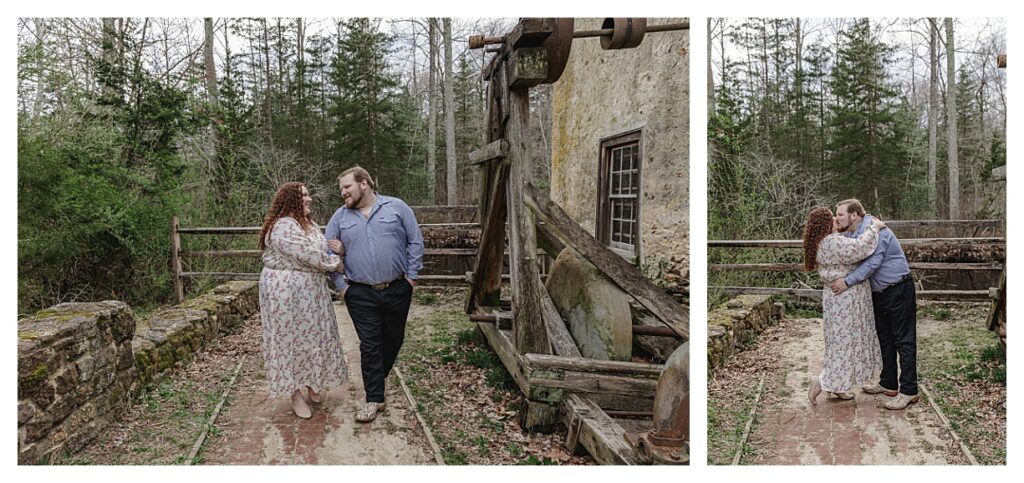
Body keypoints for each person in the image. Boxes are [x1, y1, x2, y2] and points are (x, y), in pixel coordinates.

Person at [325, 166, 423, 423]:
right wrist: (342, 287)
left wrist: (411, 278)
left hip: (397, 288)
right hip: (359, 292)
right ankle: (374, 399)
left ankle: (377, 380)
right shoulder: (340, 217)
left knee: (394, 339)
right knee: (370, 345)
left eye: (347, 187)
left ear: (364, 184)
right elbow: (327, 253)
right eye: (341, 189)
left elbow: (415, 241)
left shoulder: (397, 208)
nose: (343, 193)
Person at [258, 182, 348, 419]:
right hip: (284, 296)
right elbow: (307, 255)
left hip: (311, 295)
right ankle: (294, 394)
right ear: (290, 200)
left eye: (308, 195)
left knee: (313, 337)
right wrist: (334, 264)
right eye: (304, 196)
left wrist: (337, 251)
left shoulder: (308, 224)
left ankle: (312, 382)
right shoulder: (282, 227)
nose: (309, 199)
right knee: (289, 342)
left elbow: (320, 250)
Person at [830, 199, 919, 410]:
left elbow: (872, 263)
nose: (837, 218)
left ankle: (909, 391)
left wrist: (847, 282)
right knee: (884, 339)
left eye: (840, 214)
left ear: (854, 215)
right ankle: (888, 383)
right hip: (878, 294)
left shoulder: (877, 230)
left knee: (904, 341)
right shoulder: (852, 233)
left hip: (898, 289)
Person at [803, 207, 884, 406]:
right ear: (825, 224)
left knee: (838, 342)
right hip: (845, 300)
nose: (836, 220)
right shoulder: (832, 242)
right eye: (832, 218)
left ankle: (838, 386)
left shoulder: (823, 242)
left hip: (836, 299)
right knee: (844, 342)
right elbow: (860, 248)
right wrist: (874, 227)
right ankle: (821, 382)